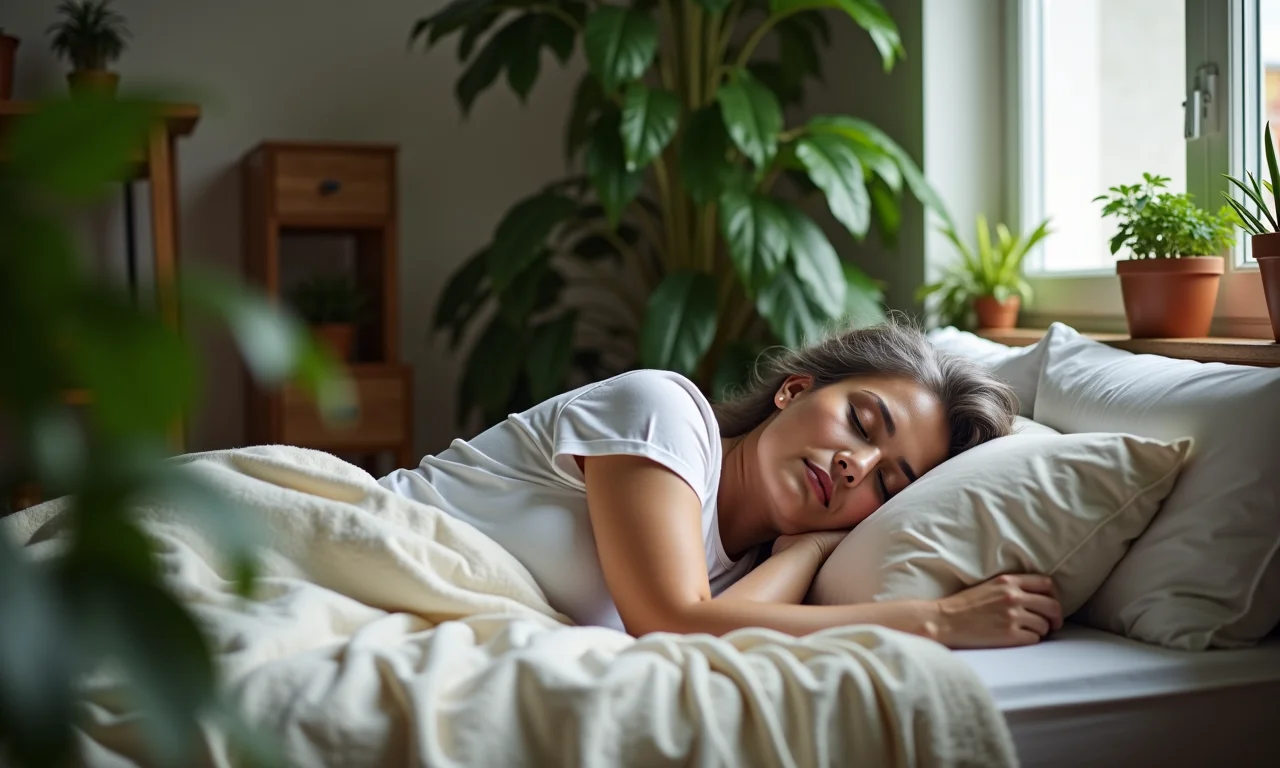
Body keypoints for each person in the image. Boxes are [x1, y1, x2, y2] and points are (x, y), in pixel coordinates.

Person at [379, 319, 1063, 649]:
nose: (857, 463)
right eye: (860, 421)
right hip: (368, 549)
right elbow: (672, 620)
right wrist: (939, 620)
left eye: (888, 482)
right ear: (793, 391)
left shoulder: (746, 578)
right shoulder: (665, 411)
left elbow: (708, 628)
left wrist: (803, 554)